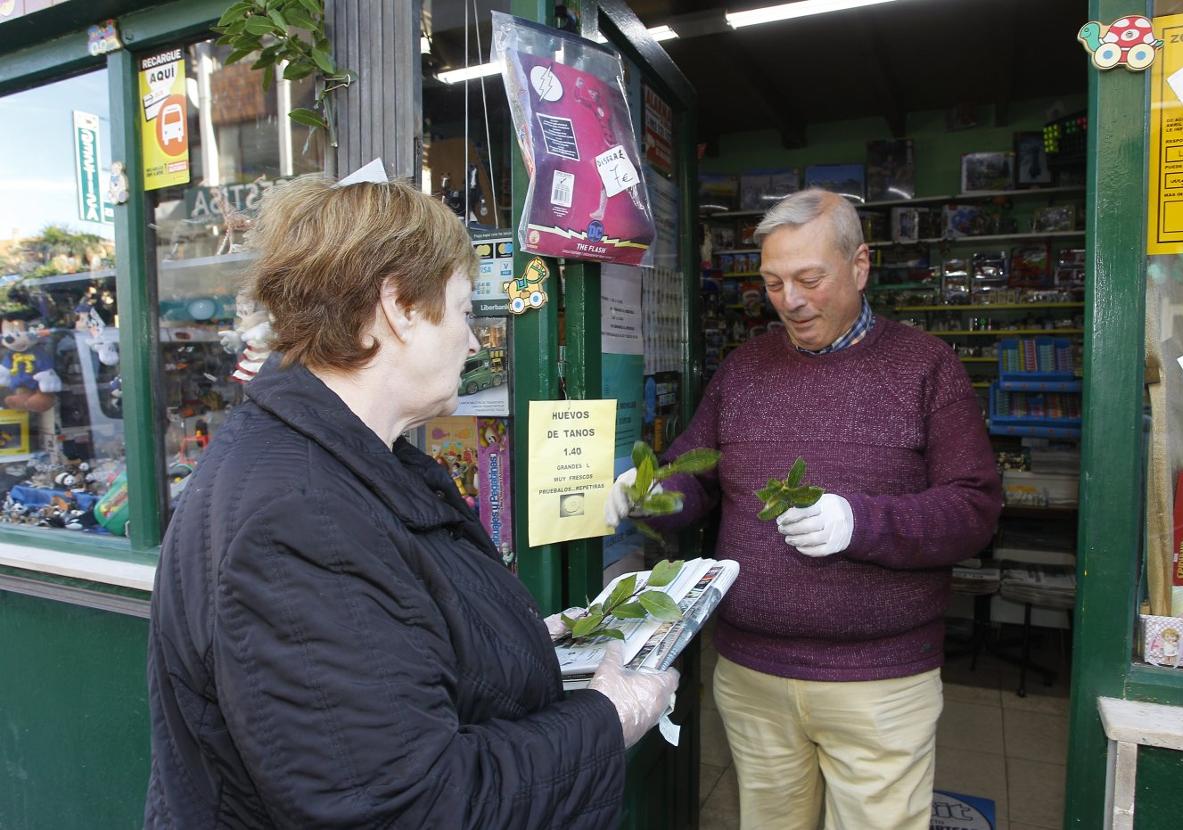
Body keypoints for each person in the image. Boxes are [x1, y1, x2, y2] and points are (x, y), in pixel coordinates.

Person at [145, 176, 678, 829]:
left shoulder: (340, 458)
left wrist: (518, 644)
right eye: (461, 310)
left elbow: (384, 649)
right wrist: (610, 717)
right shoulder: (299, 518)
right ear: (399, 305)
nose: (475, 341)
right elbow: (408, 806)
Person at [606, 188, 1002, 830]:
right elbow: (694, 477)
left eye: (809, 279)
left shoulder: (927, 367)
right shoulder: (742, 370)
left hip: (879, 681)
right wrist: (648, 493)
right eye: (773, 282)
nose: (790, 300)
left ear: (860, 266)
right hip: (751, 674)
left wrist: (862, 523)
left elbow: (974, 509)